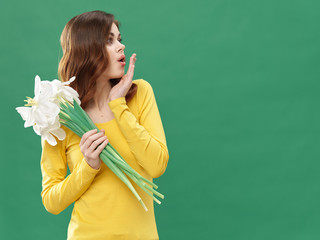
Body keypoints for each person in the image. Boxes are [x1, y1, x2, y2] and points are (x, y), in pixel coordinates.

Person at [40, 10, 169, 240]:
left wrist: (118, 105)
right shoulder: (61, 116)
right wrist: (88, 167)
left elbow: (157, 165)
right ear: (86, 50)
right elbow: (51, 200)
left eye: (119, 39)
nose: (121, 47)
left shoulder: (140, 94)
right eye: (109, 40)